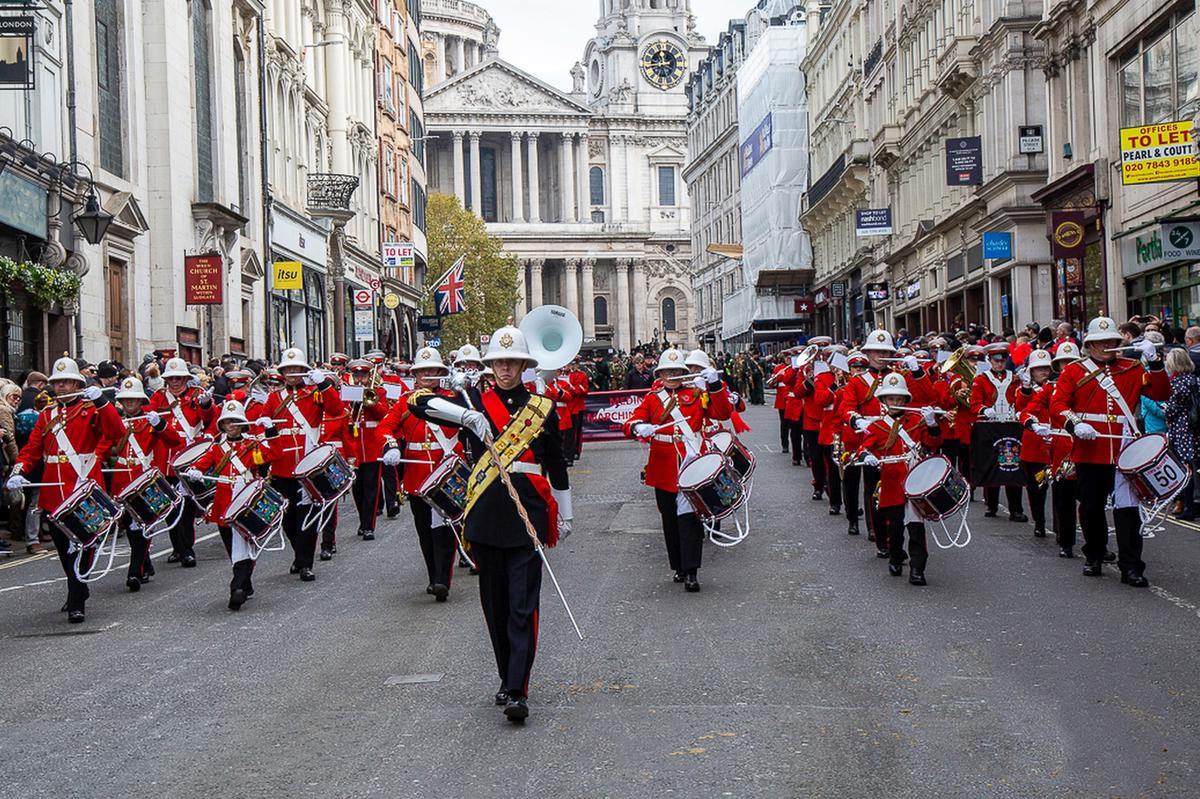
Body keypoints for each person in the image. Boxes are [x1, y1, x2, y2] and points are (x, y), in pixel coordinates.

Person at [404, 326, 572, 724]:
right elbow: (416, 401)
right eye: (499, 361)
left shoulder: (541, 408)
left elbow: (557, 464)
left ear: (524, 365)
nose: (505, 368)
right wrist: (464, 416)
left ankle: (518, 688)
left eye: (512, 362)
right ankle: (505, 673)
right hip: (483, 512)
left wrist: (565, 513)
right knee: (495, 607)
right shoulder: (472, 400)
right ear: (490, 365)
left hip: (526, 512)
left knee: (521, 605)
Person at [1050, 316, 1169, 586]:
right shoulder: (1074, 371)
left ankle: (1131, 567)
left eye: (1111, 341)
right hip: (1090, 449)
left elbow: (1161, 394)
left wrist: (1156, 363)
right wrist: (1075, 423)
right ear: (1090, 345)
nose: (1106, 346)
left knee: (1128, 510)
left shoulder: (1131, 366)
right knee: (1091, 508)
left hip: (1125, 448)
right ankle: (1094, 555)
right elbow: (1057, 405)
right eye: (1099, 342)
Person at [6, 356, 124, 623]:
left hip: (83, 484)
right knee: (62, 545)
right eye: (58, 383)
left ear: (77, 383)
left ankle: (76, 596)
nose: (62, 387)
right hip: (54, 490)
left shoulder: (90, 409)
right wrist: (19, 470)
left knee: (85, 541)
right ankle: (77, 586)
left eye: (67, 382)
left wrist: (103, 404)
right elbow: (33, 448)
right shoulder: (47, 414)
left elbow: (115, 433)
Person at [624, 348, 732, 591]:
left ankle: (692, 571)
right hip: (663, 466)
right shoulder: (653, 398)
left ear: (683, 372)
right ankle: (679, 567)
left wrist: (715, 386)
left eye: (675, 371)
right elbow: (631, 422)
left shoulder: (697, 393)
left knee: (691, 520)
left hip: (691, 462)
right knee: (670, 520)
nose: (671, 375)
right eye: (666, 371)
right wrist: (638, 427)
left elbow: (723, 413)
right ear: (660, 374)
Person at [247, 348, 345, 582]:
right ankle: (299, 554)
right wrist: (266, 426)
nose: (292, 373)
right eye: (288, 369)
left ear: (303, 371)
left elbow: (336, 410)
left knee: (307, 516)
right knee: (287, 518)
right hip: (282, 465)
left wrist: (324, 386)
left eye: (296, 369)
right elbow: (260, 428)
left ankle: (305, 563)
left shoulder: (314, 394)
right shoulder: (274, 398)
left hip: (307, 463)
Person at [379, 348, 464, 601]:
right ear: (415, 374)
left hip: (446, 470)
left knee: (445, 527)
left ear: (441, 372)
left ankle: (442, 579)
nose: (428, 374)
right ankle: (432, 575)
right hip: (417, 474)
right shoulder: (405, 401)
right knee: (424, 530)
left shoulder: (452, 398)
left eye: (433, 370)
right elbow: (386, 427)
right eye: (423, 371)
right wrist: (390, 444)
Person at [186, 400, 281, 610]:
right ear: (222, 425)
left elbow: (274, 454)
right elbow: (203, 462)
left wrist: (271, 431)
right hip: (224, 502)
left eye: (236, 422)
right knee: (232, 547)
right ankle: (244, 584)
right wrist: (194, 469)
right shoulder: (217, 447)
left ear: (243, 424)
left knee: (246, 545)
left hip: (246, 499)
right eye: (228, 422)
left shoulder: (252, 444)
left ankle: (237, 587)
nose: (232, 426)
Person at [855, 372, 942, 585]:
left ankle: (917, 570)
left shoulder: (916, 421)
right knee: (894, 529)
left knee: (916, 527)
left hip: (915, 481)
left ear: (905, 401)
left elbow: (933, 443)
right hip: (892, 483)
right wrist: (868, 457)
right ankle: (895, 556)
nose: (895, 403)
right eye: (891, 399)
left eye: (899, 399)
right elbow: (863, 447)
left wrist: (932, 424)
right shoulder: (877, 426)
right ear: (884, 401)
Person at [101, 376, 182, 591]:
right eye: (126, 399)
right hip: (120, 480)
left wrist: (161, 424)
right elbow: (103, 446)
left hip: (143, 479)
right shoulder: (116, 423)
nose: (129, 403)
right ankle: (144, 563)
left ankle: (134, 572)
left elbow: (175, 441)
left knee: (142, 527)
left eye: (134, 400)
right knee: (129, 526)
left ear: (141, 401)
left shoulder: (149, 421)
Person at [148, 357, 217, 566]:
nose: (175, 382)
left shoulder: (196, 395)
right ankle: (177, 548)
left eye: (178, 378)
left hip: (187, 456)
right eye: (171, 378)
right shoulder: (159, 397)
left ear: (186, 379)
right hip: (163, 457)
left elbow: (209, 420)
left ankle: (187, 549)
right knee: (169, 507)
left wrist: (206, 406)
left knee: (186, 508)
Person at [968, 342, 1028, 522]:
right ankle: (991, 505)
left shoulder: (1015, 378)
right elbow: (974, 403)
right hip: (990, 426)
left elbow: (1021, 401)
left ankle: (1016, 509)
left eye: (1003, 360)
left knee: (1012, 466)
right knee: (991, 464)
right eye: (996, 361)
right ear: (990, 360)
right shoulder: (981, 379)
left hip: (1011, 425)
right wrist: (984, 410)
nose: (1000, 364)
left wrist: (1023, 396)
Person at [342, 359, 390, 546]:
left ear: (369, 376)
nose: (360, 379)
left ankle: (369, 526)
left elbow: (384, 414)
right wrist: (352, 404)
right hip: (354, 445)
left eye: (363, 375)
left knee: (372, 486)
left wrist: (370, 402)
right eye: (357, 375)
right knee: (357, 487)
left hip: (371, 445)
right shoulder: (347, 392)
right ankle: (363, 519)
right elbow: (342, 415)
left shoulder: (379, 391)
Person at [1014, 350, 1056, 538]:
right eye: (1038, 369)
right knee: (1037, 487)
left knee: (1061, 489)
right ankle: (1039, 522)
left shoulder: (1058, 386)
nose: (1043, 372)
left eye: (1046, 368)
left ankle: (1061, 527)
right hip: (1036, 446)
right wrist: (1025, 387)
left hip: (1056, 443)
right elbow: (1021, 407)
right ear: (1031, 371)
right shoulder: (1025, 389)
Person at [1163, 348, 1198, 521]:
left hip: (1182, 430)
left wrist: (1166, 410)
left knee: (1186, 470)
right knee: (1194, 467)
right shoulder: (1194, 379)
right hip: (1194, 428)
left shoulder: (1176, 383)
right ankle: (1192, 505)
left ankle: (1189, 507)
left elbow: (1171, 411)